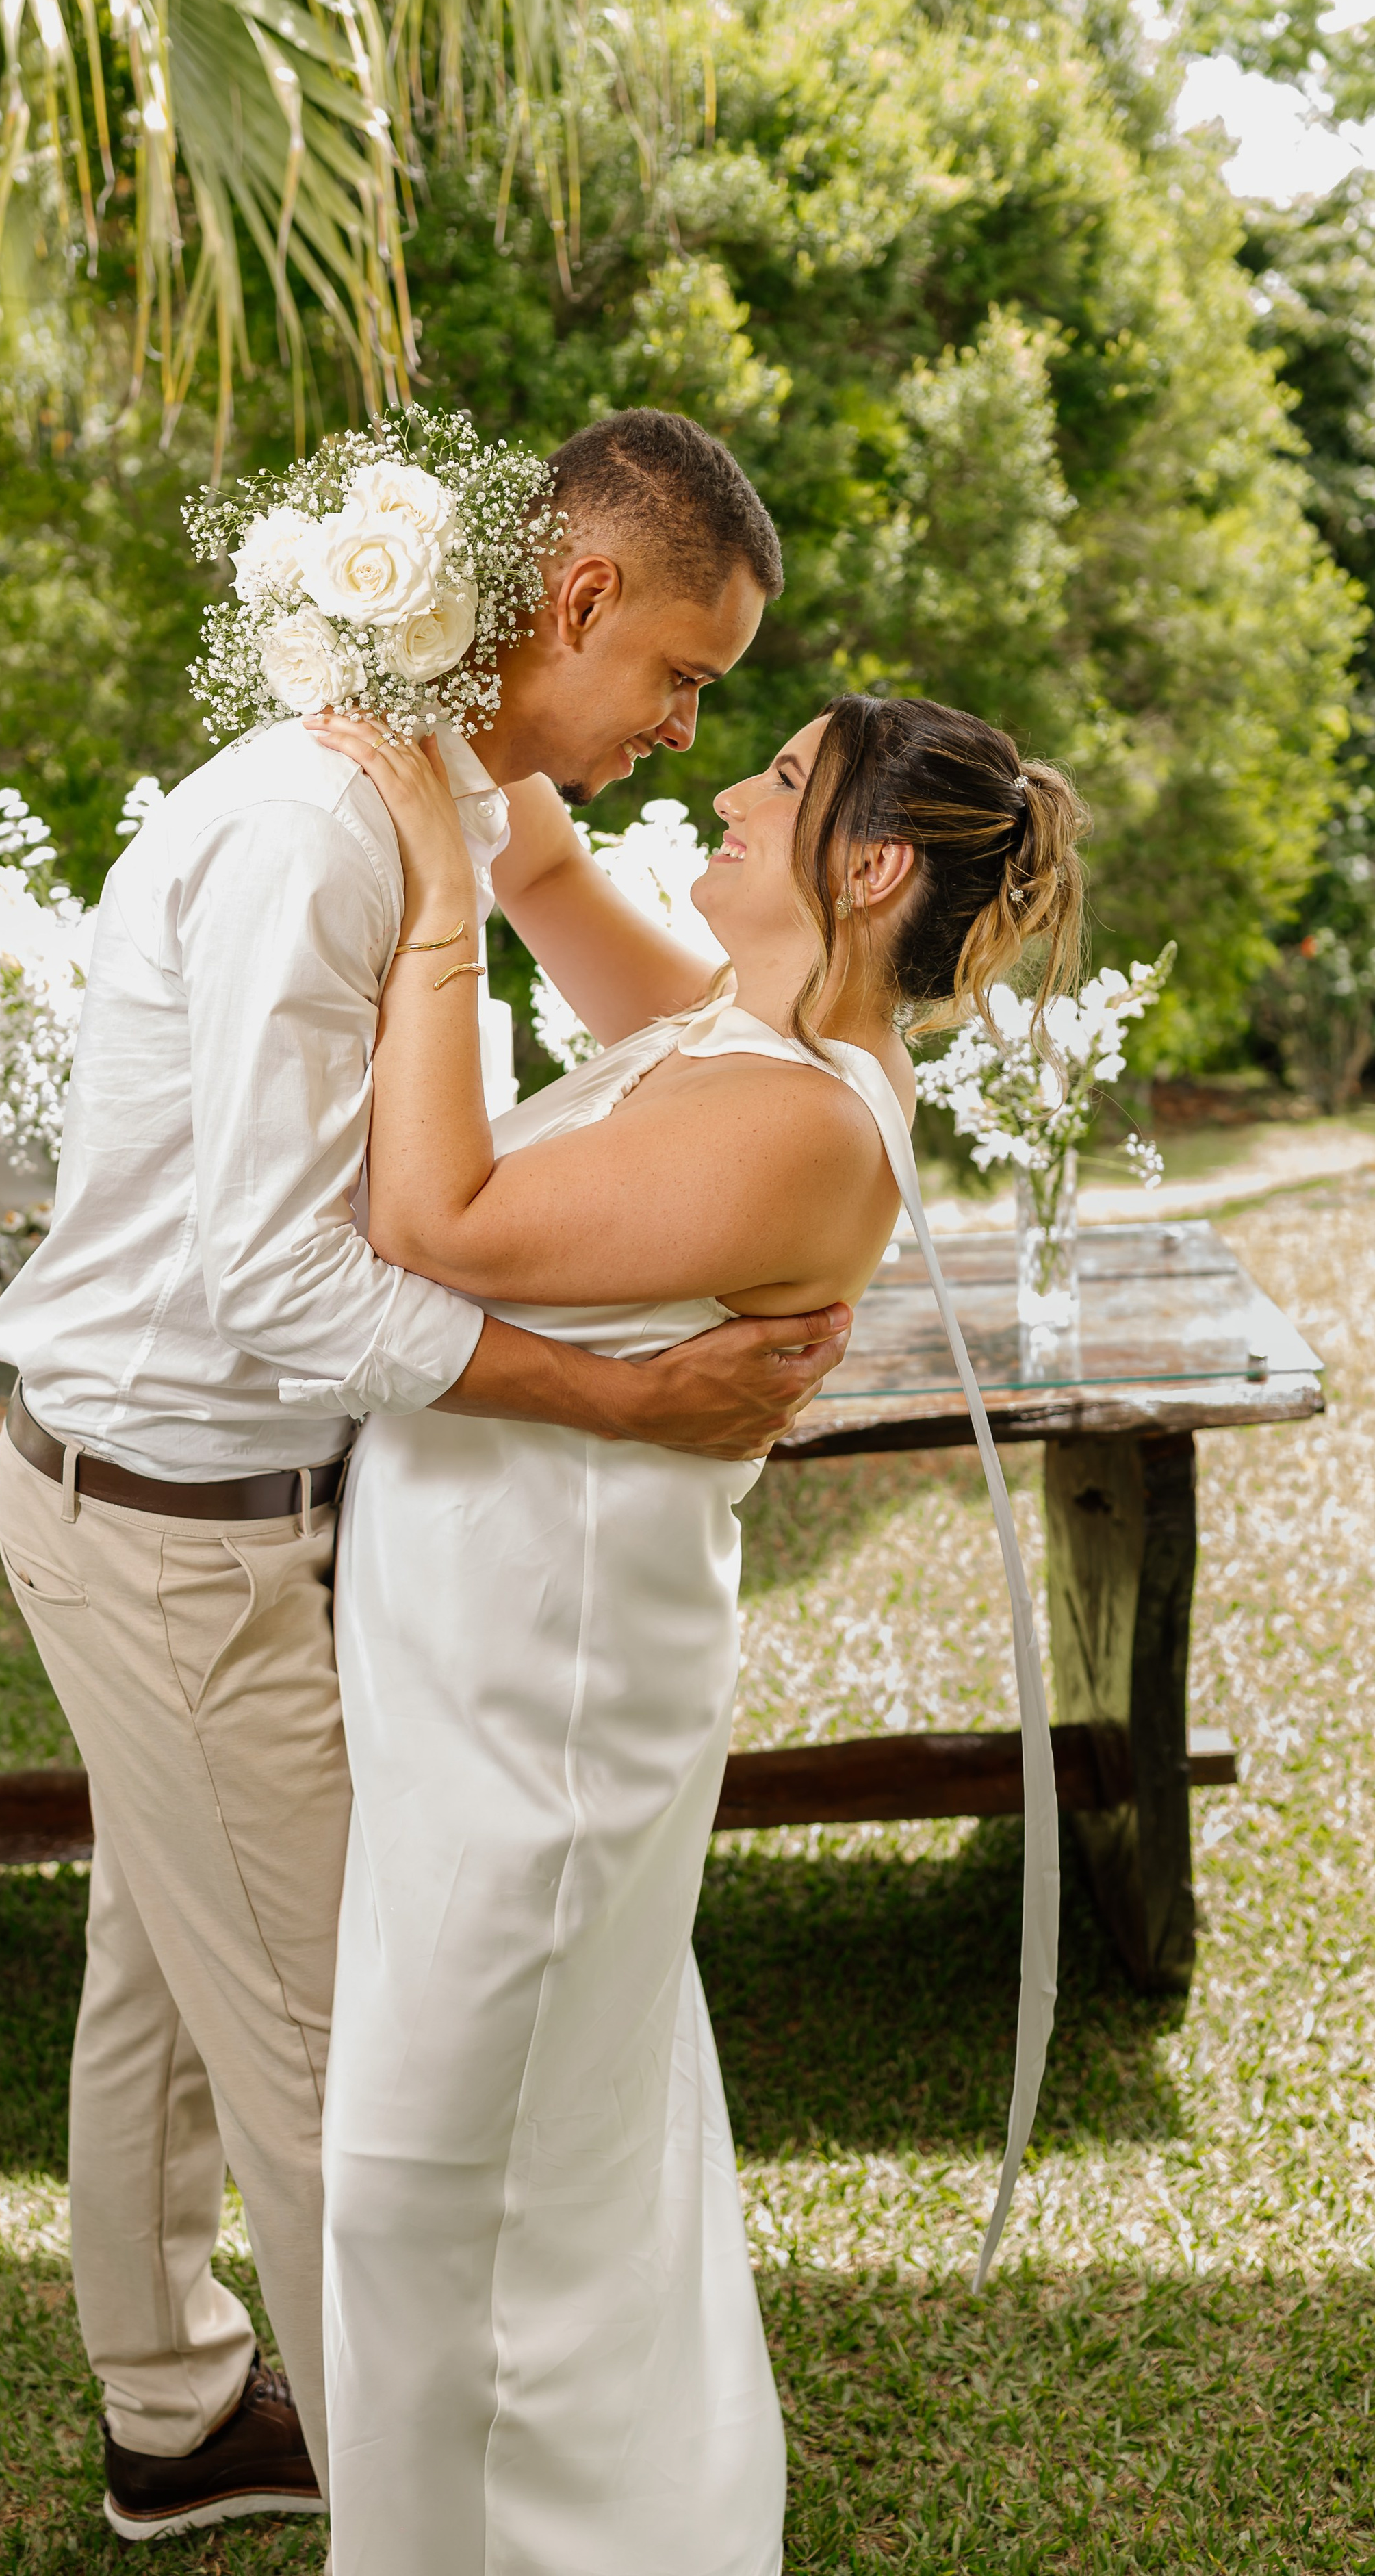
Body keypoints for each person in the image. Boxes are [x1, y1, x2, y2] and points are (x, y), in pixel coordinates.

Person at [0, 411, 853, 2542]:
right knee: (331, 2089)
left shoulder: (429, 809)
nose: (678, 729)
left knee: (158, 1978)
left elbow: (562, 1109)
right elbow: (285, 1278)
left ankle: (171, 2417)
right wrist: (621, 1398)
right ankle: (425, 2515)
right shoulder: (325, 828)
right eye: (682, 675)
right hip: (188, 1531)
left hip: (139, 1496)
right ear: (573, 603)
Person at [307, 689, 1088, 2576]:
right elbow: (554, 854)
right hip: (482, 1689)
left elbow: (437, 1218)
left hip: (549, 1735)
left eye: (788, 780)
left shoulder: (808, 1125)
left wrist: (424, 902)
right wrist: (414, 671)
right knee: (510, 2182)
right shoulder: (726, 1032)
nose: (732, 789)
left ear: (872, 863)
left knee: (430, 2187)